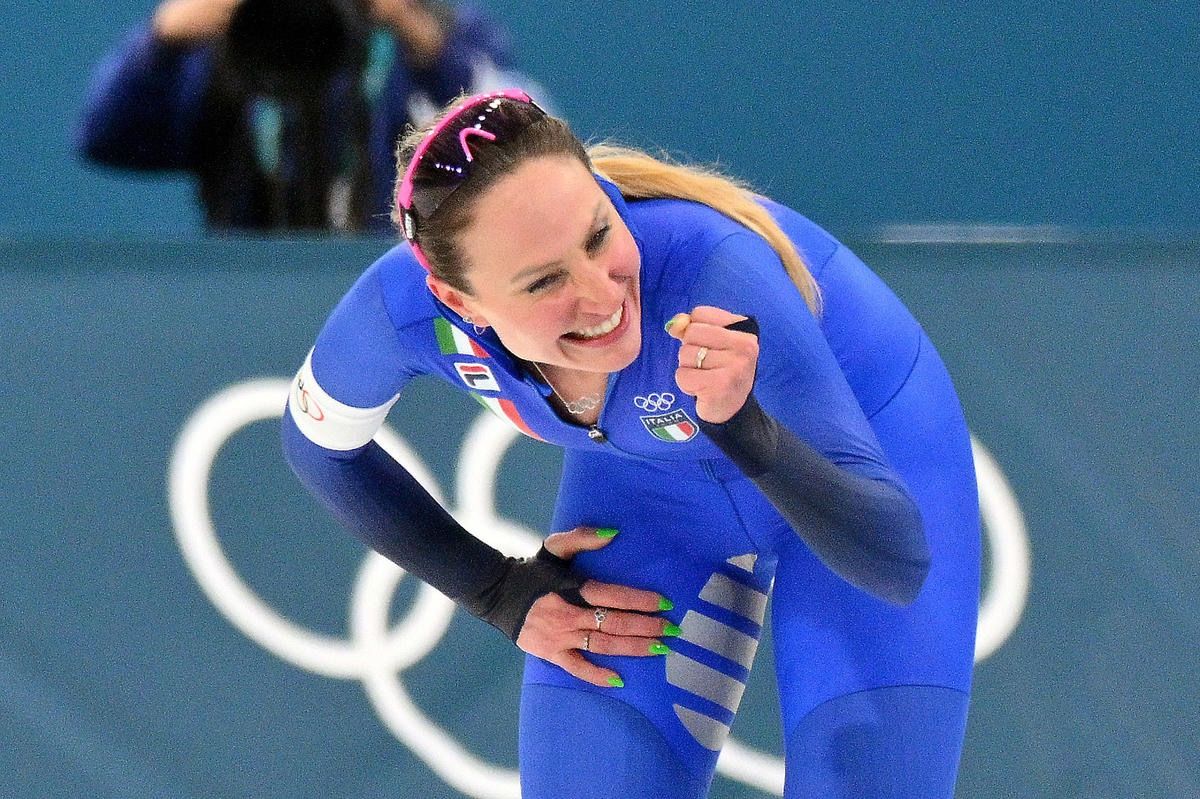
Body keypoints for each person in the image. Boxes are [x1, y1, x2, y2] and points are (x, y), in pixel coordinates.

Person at [281, 89, 981, 798]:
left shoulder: (715, 273)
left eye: (598, 236)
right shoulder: (398, 312)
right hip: (653, 494)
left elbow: (896, 563)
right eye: (545, 281)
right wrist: (496, 590)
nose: (602, 296)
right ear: (460, 303)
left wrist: (748, 428)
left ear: (608, 194)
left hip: (859, 469)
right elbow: (318, 448)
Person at [76, 0, 533, 232]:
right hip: (246, 285)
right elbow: (106, 138)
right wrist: (161, 40)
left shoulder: (434, 27)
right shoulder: (223, 44)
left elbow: (514, 138)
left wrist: (418, 34)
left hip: (398, 274)